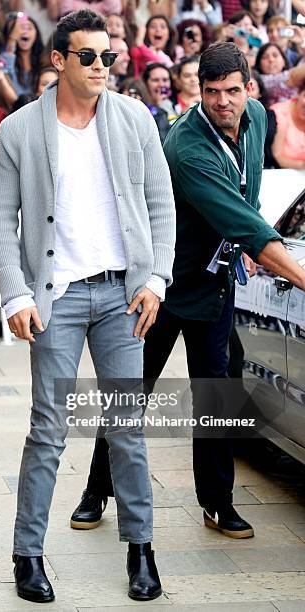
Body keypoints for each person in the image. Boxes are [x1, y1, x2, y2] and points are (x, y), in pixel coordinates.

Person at [70, 41, 305, 541]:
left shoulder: (258, 117)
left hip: (212, 287)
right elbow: (247, 224)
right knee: (131, 391)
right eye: (213, 92)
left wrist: (238, 238)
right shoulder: (186, 147)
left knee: (217, 394)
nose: (224, 102)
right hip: (159, 284)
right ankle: (96, 489)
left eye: (233, 91)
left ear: (250, 88)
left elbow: (249, 193)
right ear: (197, 90)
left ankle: (218, 503)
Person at [0, 8, 176, 604]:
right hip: (57, 298)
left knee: (127, 428)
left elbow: (161, 205)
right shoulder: (17, 132)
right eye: (89, 57)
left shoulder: (134, 119)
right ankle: (28, 554)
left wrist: (156, 280)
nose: (102, 67)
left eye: (109, 57)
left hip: (125, 295)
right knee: (48, 430)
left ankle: (140, 550)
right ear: (59, 60)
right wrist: (16, 292)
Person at [270, 79, 305, 169]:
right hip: (280, 174)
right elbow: (277, 156)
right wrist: (301, 165)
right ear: (298, 93)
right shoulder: (278, 113)